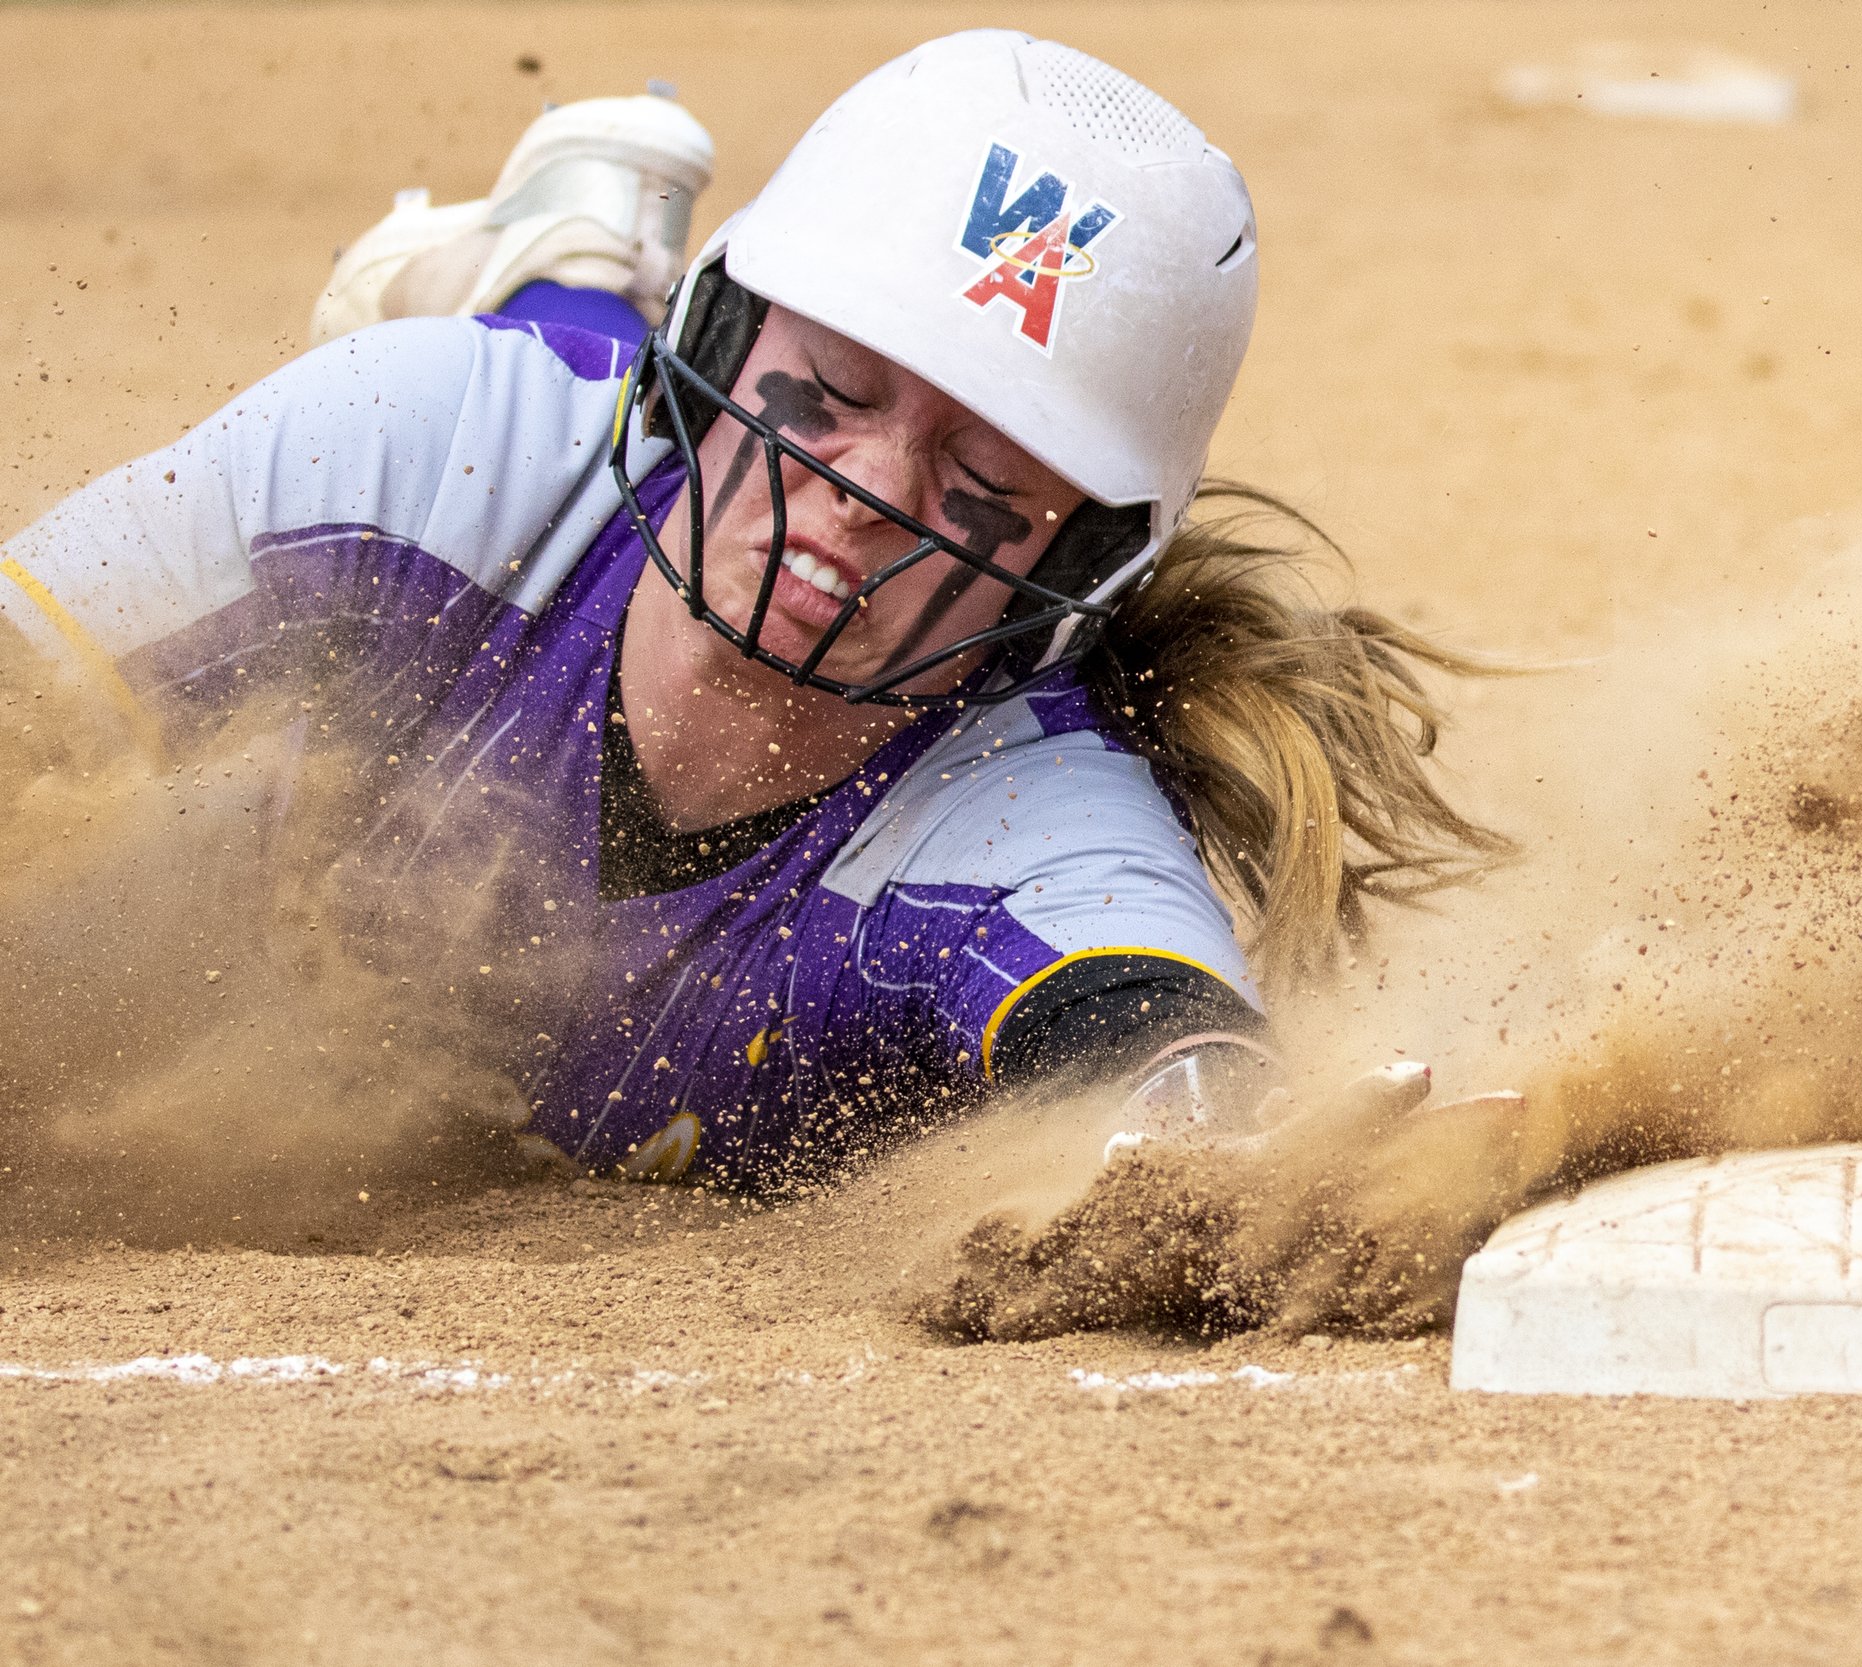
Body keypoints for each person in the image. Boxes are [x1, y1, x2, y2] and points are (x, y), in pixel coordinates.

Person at [0, 31, 1509, 1189]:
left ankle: (584, 261)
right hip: (527, 429)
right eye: (837, 391)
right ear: (719, 329)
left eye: (987, 470)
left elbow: (1154, 1043)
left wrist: (1241, 1158)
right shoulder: (407, 448)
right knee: (555, 392)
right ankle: (571, 273)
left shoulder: (1026, 812)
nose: (866, 491)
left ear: (1082, 558)